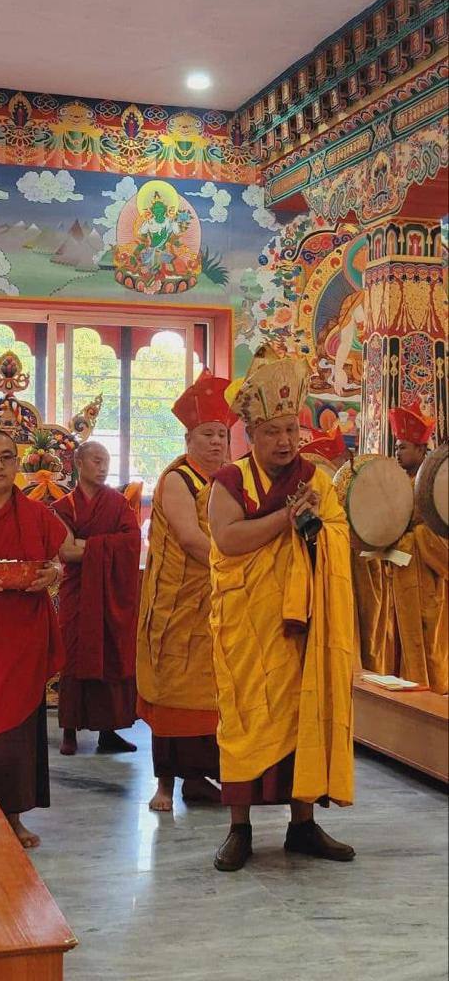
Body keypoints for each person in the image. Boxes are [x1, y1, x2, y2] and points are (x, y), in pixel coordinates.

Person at [208, 344, 355, 871]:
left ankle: (303, 825)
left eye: (292, 430)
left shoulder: (315, 479)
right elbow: (227, 541)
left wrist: (320, 534)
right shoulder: (231, 481)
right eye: (274, 431)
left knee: (303, 716)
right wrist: (285, 522)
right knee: (246, 719)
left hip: (302, 625)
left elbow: (337, 535)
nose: (287, 441)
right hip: (248, 622)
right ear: (253, 435)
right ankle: (239, 829)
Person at [136, 369, 238, 811]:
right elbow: (192, 539)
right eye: (207, 434)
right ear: (189, 439)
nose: (217, 442)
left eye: (222, 434)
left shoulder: (229, 480)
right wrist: (240, 563)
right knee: (173, 691)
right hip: (176, 604)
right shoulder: (178, 479)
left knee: (211, 693)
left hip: (216, 602)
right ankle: (165, 786)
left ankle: (199, 781)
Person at [0, 428, 65, 848]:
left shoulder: (35, 513)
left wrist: (52, 575)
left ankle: (13, 816)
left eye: (7, 456)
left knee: (17, 727)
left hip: (21, 635)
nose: (0, 465)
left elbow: (57, 560)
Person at [352, 402, 447, 693]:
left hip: (426, 582)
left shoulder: (436, 487)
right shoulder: (395, 483)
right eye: (395, 446)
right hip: (396, 576)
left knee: (428, 644)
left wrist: (410, 539)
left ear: (421, 449)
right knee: (394, 644)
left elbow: (439, 537)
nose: (397, 452)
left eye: (403, 446)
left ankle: (433, 700)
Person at [53, 441, 141, 755]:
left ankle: (109, 732)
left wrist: (85, 543)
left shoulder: (118, 504)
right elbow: (65, 551)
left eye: (106, 461)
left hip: (110, 592)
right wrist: (101, 545)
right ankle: (69, 731)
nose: (102, 467)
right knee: (75, 656)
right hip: (78, 593)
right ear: (78, 463)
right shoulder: (65, 505)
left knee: (110, 654)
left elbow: (132, 542)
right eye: (95, 460)